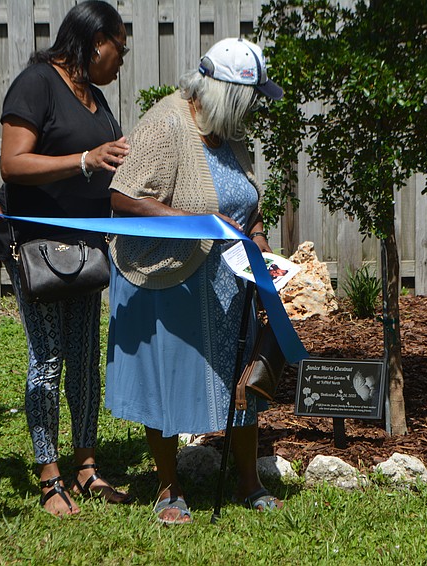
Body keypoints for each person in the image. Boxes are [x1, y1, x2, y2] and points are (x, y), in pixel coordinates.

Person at [104, 37, 285, 524]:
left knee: (240, 382)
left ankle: (250, 481)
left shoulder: (229, 132)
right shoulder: (166, 123)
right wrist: (194, 222)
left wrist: (261, 240)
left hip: (228, 282)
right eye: (248, 100)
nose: (252, 111)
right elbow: (123, 197)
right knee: (167, 381)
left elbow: (248, 202)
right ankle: (168, 487)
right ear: (225, 92)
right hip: (167, 278)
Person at [0, 1, 132, 517]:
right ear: (95, 42)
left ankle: (87, 466)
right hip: (39, 250)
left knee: (85, 360)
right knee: (47, 360)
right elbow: (13, 162)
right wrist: (86, 159)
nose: (122, 59)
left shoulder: (94, 96)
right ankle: (49, 474)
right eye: (119, 47)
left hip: (89, 249)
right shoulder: (36, 83)